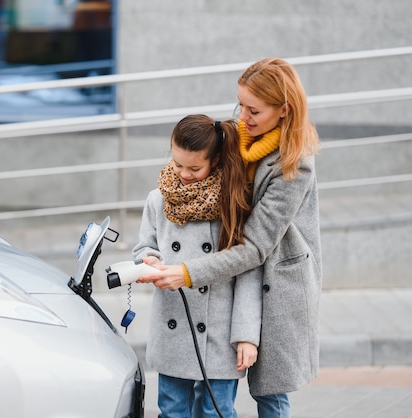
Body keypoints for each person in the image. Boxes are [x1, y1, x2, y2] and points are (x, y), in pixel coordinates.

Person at [138, 58, 322, 418]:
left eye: (253, 110)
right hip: (233, 271)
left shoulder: (294, 165)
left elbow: (254, 247)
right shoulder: (239, 134)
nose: (242, 116)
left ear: (283, 111)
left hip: (276, 278)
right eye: (240, 104)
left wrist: (186, 273)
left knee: (269, 393)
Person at [132, 114, 262, 418]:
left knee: (216, 411)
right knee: (172, 410)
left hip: (219, 331)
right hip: (173, 324)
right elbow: (144, 247)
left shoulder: (231, 204)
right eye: (177, 165)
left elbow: (247, 272)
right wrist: (148, 261)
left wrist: (246, 336)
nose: (183, 174)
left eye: (194, 168)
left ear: (215, 161)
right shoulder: (157, 199)